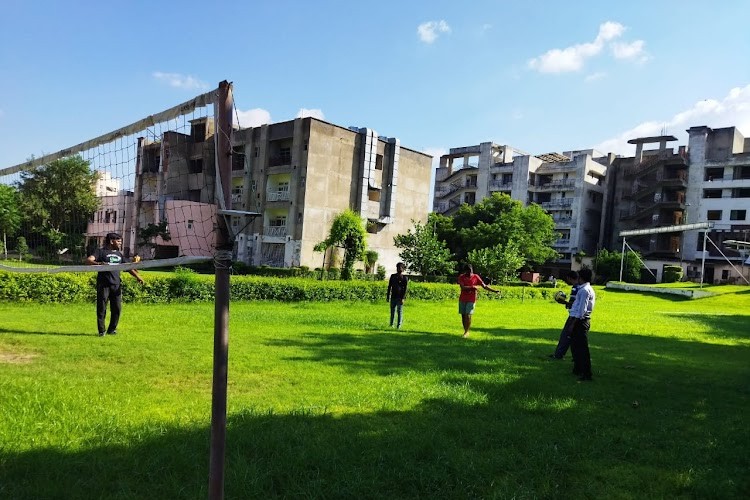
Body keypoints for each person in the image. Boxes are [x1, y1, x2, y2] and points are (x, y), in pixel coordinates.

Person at [87, 233, 144, 336]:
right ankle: (101, 331)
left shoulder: (119, 254)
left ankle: (111, 329)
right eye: (118, 241)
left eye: (120, 241)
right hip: (103, 285)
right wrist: (99, 264)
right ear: (111, 241)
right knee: (102, 308)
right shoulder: (100, 252)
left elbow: (127, 267)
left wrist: (137, 276)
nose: (120, 243)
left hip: (116, 285)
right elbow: (89, 260)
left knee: (117, 308)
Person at [457, 264, 500, 338]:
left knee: (468, 314)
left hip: (471, 299)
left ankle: (467, 332)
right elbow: (462, 287)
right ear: (465, 271)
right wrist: (472, 287)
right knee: (463, 316)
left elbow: (484, 286)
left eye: (471, 271)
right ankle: (465, 331)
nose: (470, 273)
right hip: (463, 298)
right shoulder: (461, 277)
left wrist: (494, 291)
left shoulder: (476, 276)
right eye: (469, 271)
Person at [568, 268, 595, 381]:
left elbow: (581, 311)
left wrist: (573, 323)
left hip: (580, 321)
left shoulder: (584, 290)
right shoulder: (585, 289)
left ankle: (586, 373)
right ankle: (578, 368)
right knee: (575, 347)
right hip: (579, 320)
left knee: (582, 349)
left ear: (581, 277)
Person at [549, 270, 579, 360]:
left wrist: (563, 301)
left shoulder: (575, 288)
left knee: (565, 336)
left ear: (570, 278)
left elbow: (572, 303)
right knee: (575, 338)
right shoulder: (580, 287)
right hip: (579, 316)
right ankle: (576, 357)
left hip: (573, 316)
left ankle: (559, 355)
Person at [386, 262, 408, 328]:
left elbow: (405, 289)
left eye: (401, 267)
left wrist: (403, 298)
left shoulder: (405, 278)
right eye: (398, 267)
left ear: (403, 269)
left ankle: (399, 325)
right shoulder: (393, 276)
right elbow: (389, 286)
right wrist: (388, 296)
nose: (399, 268)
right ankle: (391, 324)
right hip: (393, 296)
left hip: (400, 297)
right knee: (392, 311)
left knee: (399, 311)